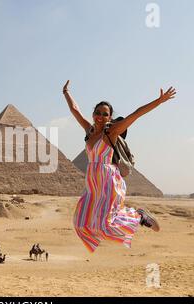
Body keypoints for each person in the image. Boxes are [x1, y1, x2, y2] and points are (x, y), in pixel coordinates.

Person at [63, 80, 176, 252]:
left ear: (110, 117)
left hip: (107, 179)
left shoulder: (112, 132)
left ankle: (139, 215)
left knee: (106, 227)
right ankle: (135, 217)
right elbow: (75, 110)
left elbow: (136, 114)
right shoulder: (89, 131)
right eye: (97, 113)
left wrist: (158, 101)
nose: (100, 116)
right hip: (93, 182)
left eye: (105, 114)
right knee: (80, 223)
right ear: (93, 114)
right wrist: (66, 92)